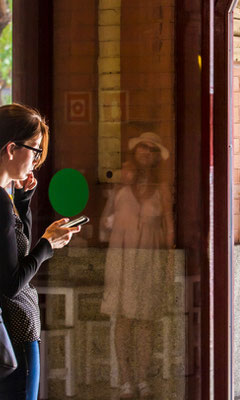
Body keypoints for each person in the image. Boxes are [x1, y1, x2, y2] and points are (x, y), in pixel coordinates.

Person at [0, 104, 81, 399]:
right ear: (11, 148)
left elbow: (5, 250)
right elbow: (11, 281)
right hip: (12, 333)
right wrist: (48, 244)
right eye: (34, 150)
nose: (35, 160)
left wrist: (21, 201)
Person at [100, 131, 174, 399]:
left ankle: (142, 379)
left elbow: (168, 226)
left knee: (145, 321)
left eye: (152, 150)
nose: (147, 153)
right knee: (123, 319)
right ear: (135, 152)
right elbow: (104, 222)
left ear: (156, 157)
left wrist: (168, 262)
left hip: (149, 259)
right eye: (142, 147)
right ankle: (125, 380)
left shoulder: (162, 188)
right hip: (122, 259)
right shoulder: (121, 184)